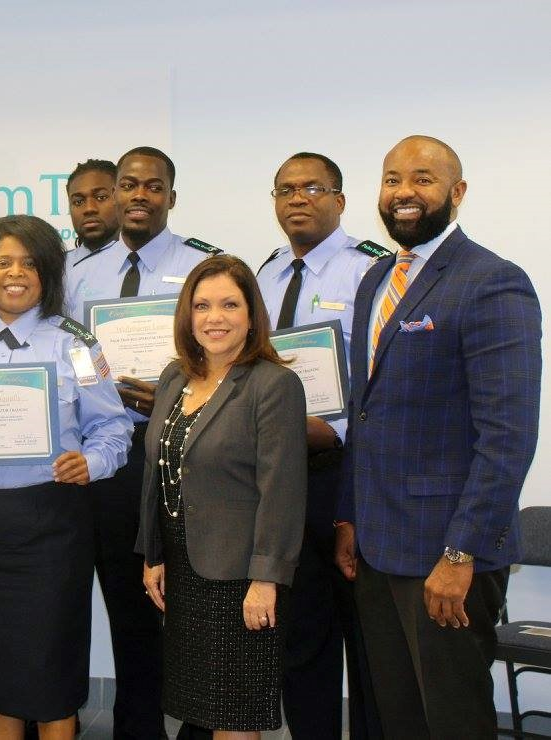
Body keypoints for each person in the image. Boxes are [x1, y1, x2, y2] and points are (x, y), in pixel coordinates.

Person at [334, 135, 541, 738]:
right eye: (393, 178)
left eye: (422, 179)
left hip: (445, 556)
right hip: (376, 545)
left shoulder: (493, 282)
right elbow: (363, 413)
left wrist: (460, 554)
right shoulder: (376, 279)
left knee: (451, 720)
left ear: (458, 192)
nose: (404, 192)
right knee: (398, 717)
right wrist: (348, 516)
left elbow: (507, 436)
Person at [0, 215, 132, 740]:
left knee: (51, 662)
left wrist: (92, 463)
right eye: (3, 262)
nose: (16, 274)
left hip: (50, 525)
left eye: (29, 263)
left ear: (48, 273)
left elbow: (113, 427)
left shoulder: (76, 346)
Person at [63, 146, 219, 740]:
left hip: (187, 451)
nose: (139, 196)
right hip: (114, 456)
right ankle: (138, 729)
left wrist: (179, 393)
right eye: (128, 185)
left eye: (154, 187)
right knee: (130, 608)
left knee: (197, 600)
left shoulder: (204, 267)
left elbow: (228, 357)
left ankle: (202, 723)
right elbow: (70, 361)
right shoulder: (81, 274)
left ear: (171, 198)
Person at [139, 254, 307, 739]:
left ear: (252, 314)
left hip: (238, 577)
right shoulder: (175, 378)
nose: (215, 318)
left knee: (234, 716)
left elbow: (283, 491)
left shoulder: (273, 386)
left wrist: (266, 581)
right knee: (201, 707)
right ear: (187, 316)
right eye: (203, 306)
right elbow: (159, 471)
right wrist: (153, 554)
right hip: (183, 569)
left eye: (230, 305)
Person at [255, 152, 385, 739]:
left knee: (368, 641)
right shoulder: (265, 273)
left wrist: (336, 432)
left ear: (339, 199)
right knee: (300, 635)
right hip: (282, 479)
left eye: (312, 187)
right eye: (286, 189)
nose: (297, 198)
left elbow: (385, 380)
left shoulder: (373, 272)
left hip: (348, 474)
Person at [63, 159, 119, 265]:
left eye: (101, 197)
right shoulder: (57, 268)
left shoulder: (140, 261)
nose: (89, 208)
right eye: (78, 202)